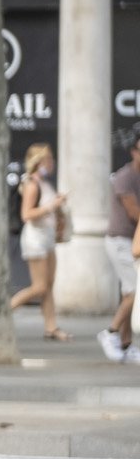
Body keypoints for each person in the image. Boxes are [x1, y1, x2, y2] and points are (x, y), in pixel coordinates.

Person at [8, 143, 69, 341]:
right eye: (48, 159)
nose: (51, 163)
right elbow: (27, 214)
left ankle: (51, 327)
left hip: (48, 238)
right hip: (35, 239)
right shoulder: (32, 185)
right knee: (39, 286)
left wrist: (59, 210)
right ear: (38, 162)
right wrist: (53, 205)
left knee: (48, 285)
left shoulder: (45, 183)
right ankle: (5, 310)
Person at [98, 134, 140, 362]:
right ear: (133, 151)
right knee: (134, 291)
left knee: (129, 292)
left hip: (132, 241)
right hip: (121, 241)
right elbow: (135, 214)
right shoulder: (125, 178)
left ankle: (126, 344)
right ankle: (110, 332)